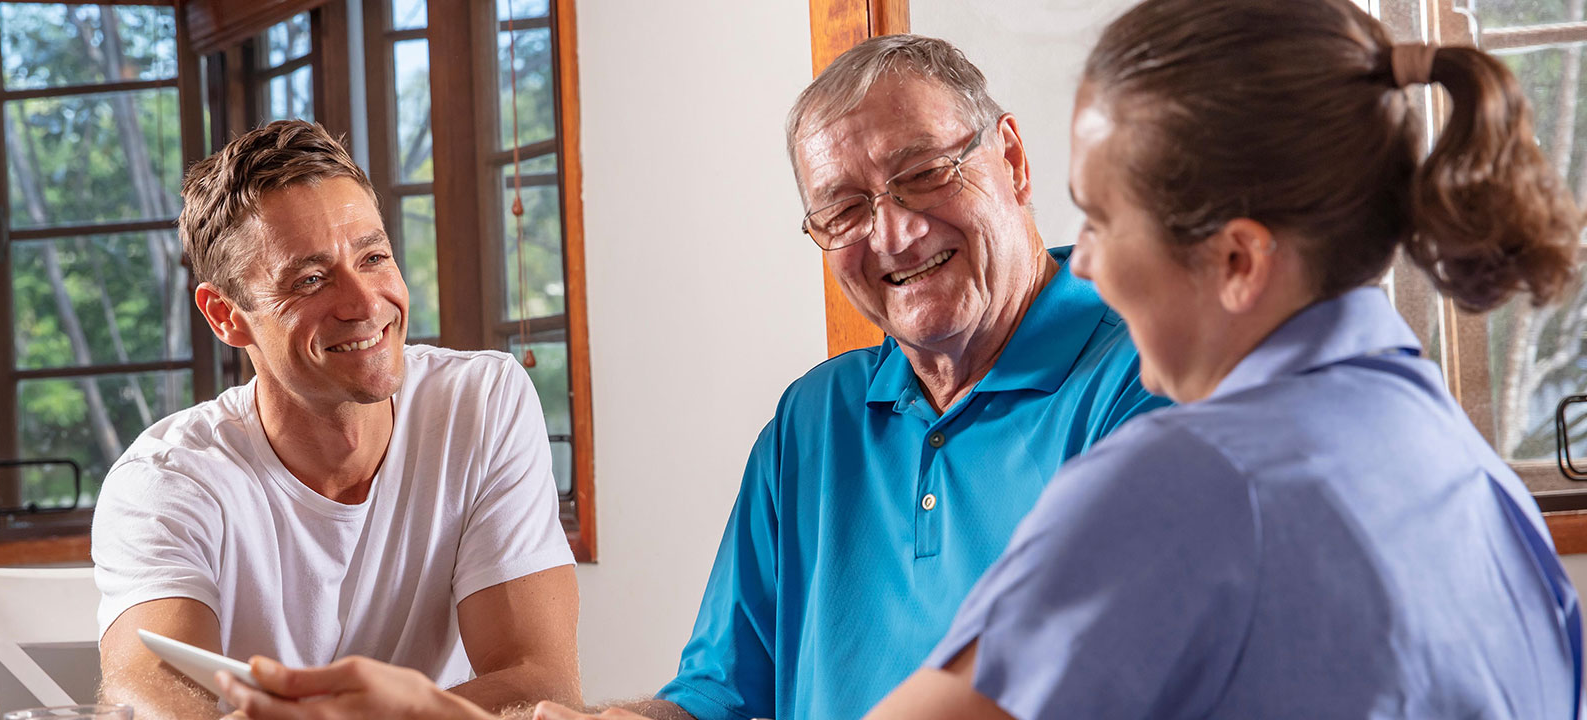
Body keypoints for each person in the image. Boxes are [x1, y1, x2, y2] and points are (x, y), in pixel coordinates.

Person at [213, 34, 1168, 720]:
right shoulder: (813, 424)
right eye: (842, 209)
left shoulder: (1146, 374)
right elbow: (713, 696)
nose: (893, 232)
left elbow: (1064, 685)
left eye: (923, 174)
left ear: (1010, 156)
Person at [859, 0, 1585, 717]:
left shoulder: (1190, 484)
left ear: (1238, 260)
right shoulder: (1481, 481)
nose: (1081, 263)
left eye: (1103, 220)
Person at [92, 119, 584, 718]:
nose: (365, 303)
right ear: (225, 315)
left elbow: (541, 686)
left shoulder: (480, 403)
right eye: (312, 279)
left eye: (374, 256)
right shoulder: (167, 479)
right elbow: (152, 697)